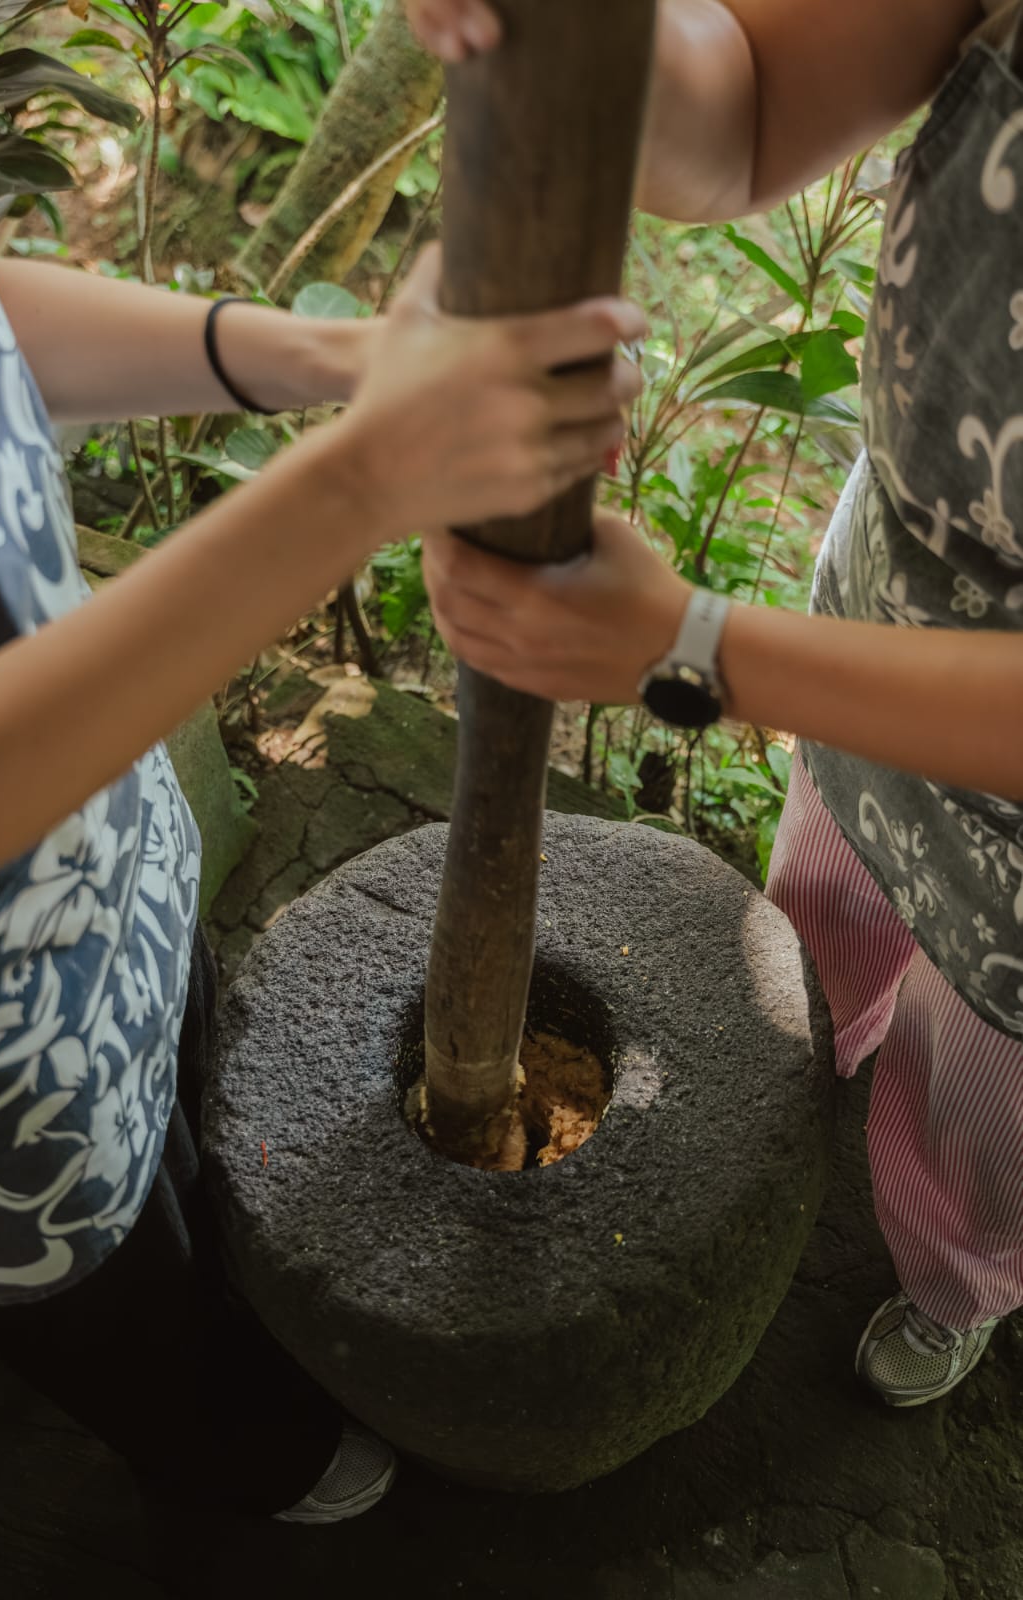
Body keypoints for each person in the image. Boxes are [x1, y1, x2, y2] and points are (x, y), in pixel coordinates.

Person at [0, 227, 644, 1520]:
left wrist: (346, 357)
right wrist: (376, 469)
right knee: (114, 1298)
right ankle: (234, 1452)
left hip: (109, 848)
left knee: (191, 1109)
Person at [408, 0, 1023, 1409]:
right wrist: (586, 29)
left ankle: (951, 1280)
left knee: (987, 1120)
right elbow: (743, 109)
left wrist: (691, 643)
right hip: (873, 635)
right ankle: (803, 1078)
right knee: (824, 915)